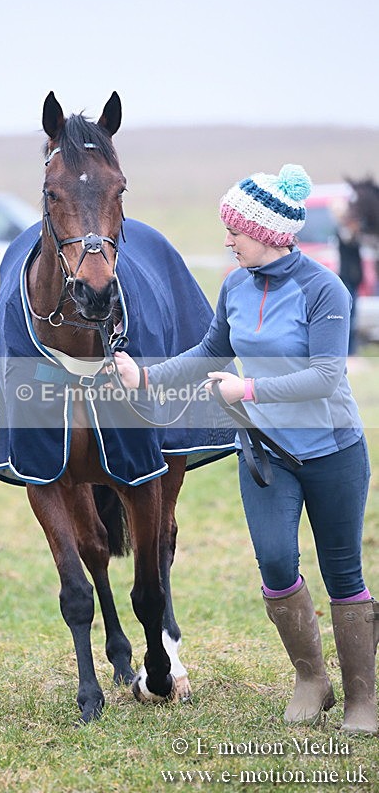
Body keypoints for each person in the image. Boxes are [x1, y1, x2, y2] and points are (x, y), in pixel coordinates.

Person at [114, 164, 379, 734]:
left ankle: (362, 699)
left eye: (234, 230)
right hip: (265, 454)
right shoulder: (234, 286)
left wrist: (248, 389)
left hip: (333, 451)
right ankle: (312, 680)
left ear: (267, 232)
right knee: (277, 565)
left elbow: (328, 377)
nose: (227, 240)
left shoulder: (323, 289)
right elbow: (210, 351)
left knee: (342, 573)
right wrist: (147, 377)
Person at [336, 209, 363, 356]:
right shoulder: (343, 233)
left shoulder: (353, 235)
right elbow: (348, 240)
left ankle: (351, 351)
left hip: (353, 279)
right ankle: (348, 351)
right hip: (347, 279)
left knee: (353, 318)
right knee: (348, 317)